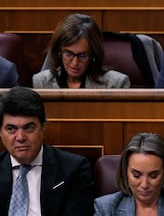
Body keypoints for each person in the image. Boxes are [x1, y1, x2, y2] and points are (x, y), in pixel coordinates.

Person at [0, 86, 94, 216]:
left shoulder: (73, 169)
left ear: (43, 128)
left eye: (29, 128)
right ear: (1, 132)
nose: (20, 137)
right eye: (11, 129)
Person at [94, 132, 164, 216]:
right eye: (136, 175)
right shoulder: (106, 208)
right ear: (125, 171)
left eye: (153, 176)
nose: (144, 185)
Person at [32, 13, 130, 88]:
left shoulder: (116, 83)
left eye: (82, 56)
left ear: (93, 55)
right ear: (59, 51)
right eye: (68, 54)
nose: (75, 63)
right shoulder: (41, 81)